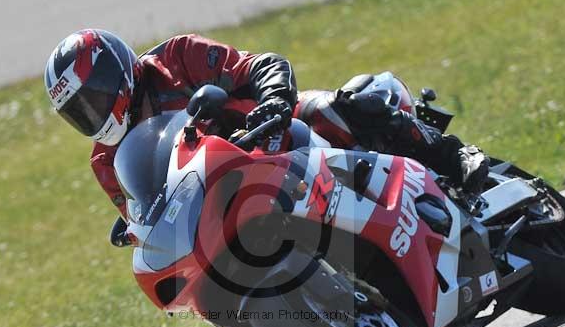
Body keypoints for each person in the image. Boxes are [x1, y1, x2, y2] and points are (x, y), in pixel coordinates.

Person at [44, 29, 487, 219]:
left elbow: (259, 65)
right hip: (227, 201)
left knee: (342, 105)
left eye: (94, 97)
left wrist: (273, 99)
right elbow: (142, 215)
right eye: (78, 111)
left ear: (116, 72)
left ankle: (452, 154)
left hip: (277, 135)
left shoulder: (176, 57)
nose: (94, 114)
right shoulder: (106, 163)